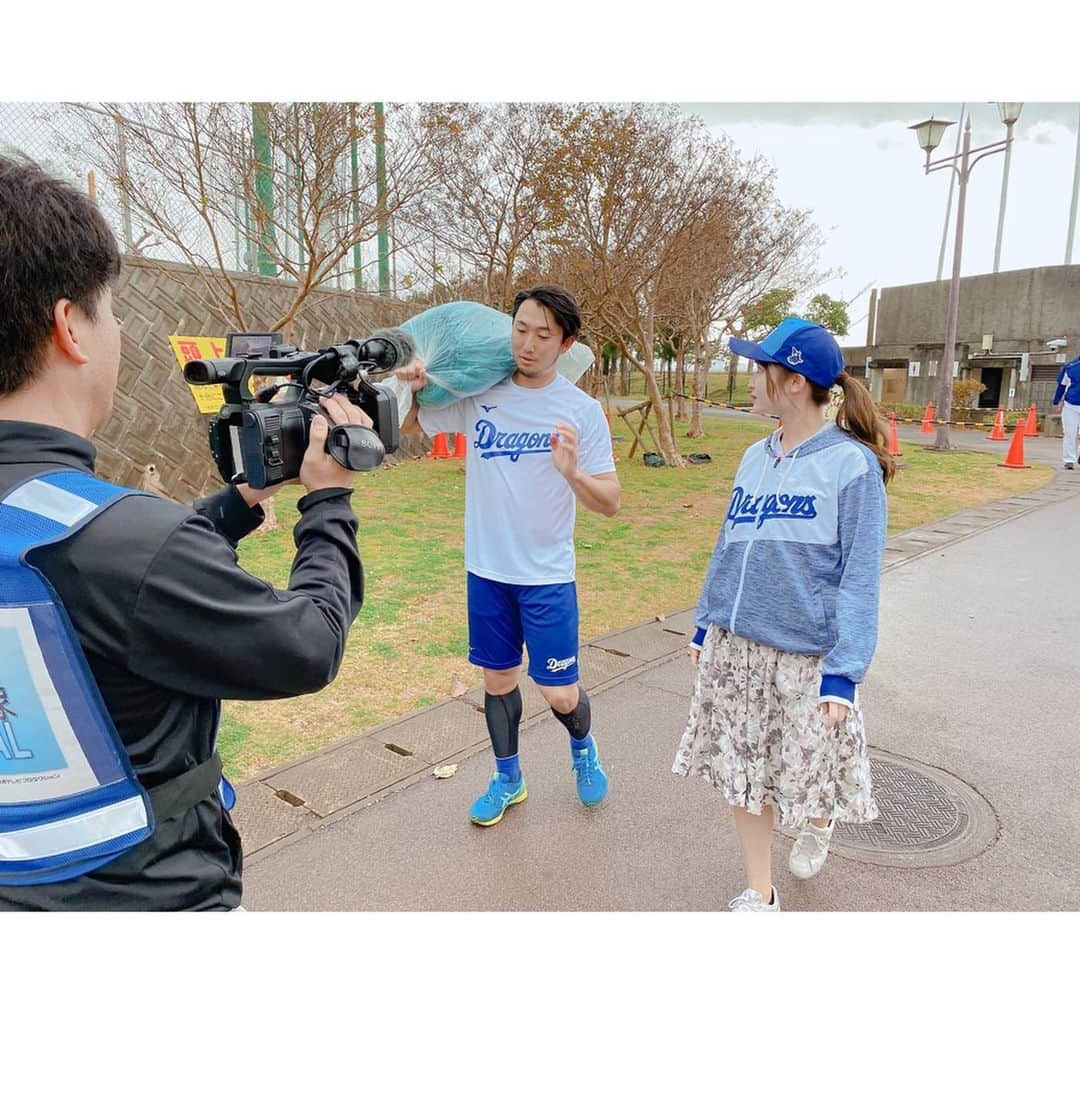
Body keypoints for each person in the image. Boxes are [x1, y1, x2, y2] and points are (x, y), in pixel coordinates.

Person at [0, 155, 370, 911]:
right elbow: (303, 646)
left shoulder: (118, 543)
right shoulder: (129, 545)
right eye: (111, 309)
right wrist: (328, 502)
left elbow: (89, 571)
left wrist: (234, 507)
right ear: (70, 325)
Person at [672, 317, 893, 912]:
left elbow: (860, 577)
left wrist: (844, 673)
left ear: (792, 381)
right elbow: (729, 543)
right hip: (737, 646)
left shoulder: (851, 466)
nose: (749, 380)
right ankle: (759, 892)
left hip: (805, 656)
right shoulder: (753, 456)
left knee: (805, 770)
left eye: (758, 368)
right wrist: (705, 619)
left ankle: (819, 818)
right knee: (745, 770)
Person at [398, 285, 619, 825]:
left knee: (558, 691)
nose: (528, 343)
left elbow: (610, 502)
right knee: (497, 682)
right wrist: (418, 386)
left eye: (543, 334)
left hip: (545, 575)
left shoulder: (580, 411)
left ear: (565, 343)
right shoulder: (482, 395)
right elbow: (408, 427)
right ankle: (508, 779)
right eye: (520, 328)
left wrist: (571, 472)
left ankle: (583, 751)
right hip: (487, 571)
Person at [1051, 351, 1080, 469]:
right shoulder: (1070, 367)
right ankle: (1069, 460)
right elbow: (1061, 386)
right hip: (1071, 405)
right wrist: (1056, 401)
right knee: (1070, 433)